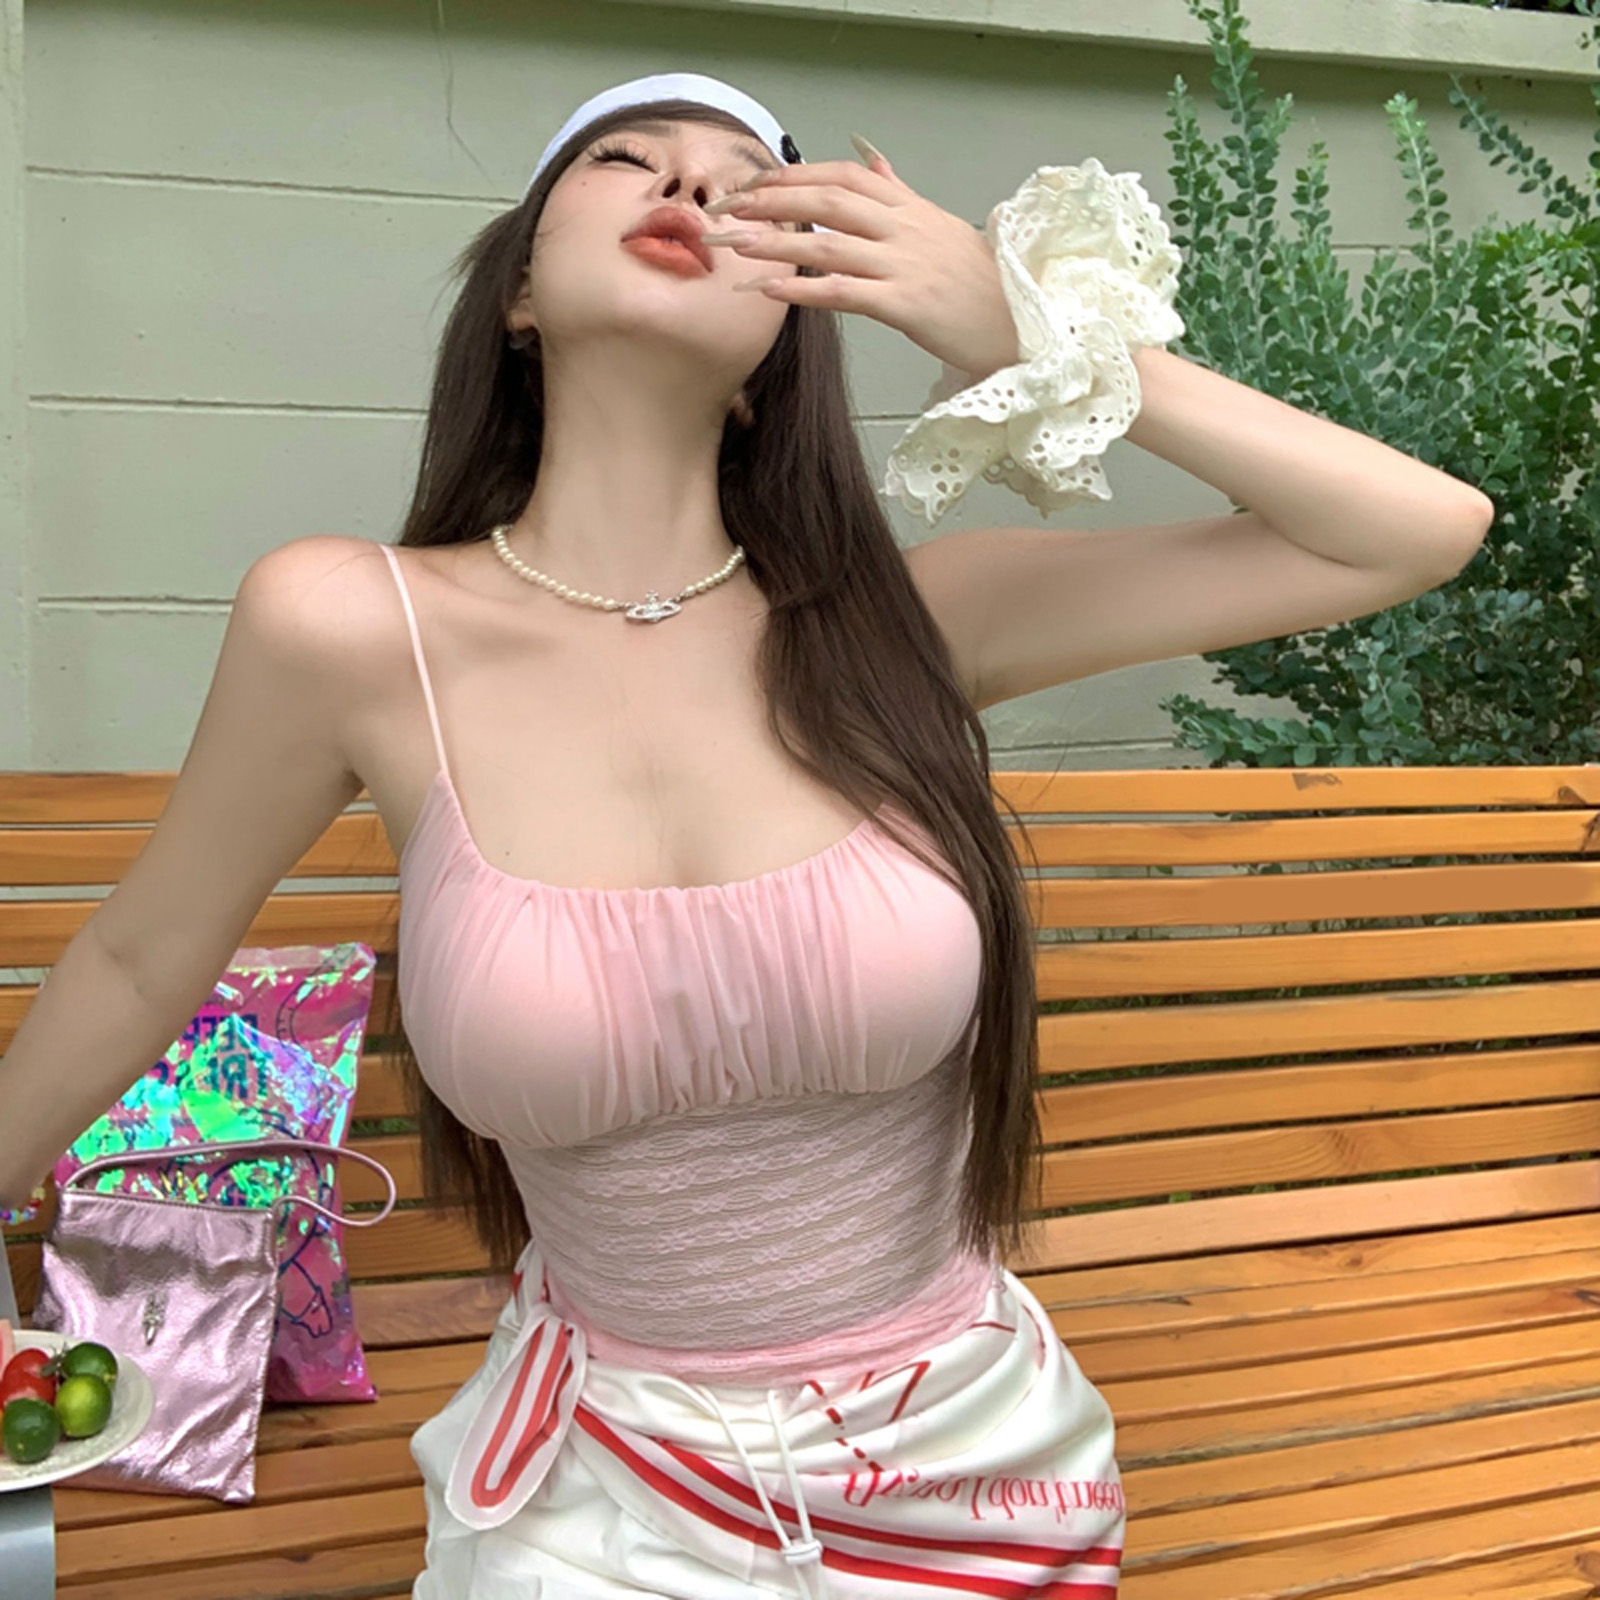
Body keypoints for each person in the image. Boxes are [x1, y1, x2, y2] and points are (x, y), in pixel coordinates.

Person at [0, 70, 1495, 1600]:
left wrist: (1036, 332)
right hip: (599, 1491)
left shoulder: (912, 622)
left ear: (786, 338)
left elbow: (1412, 530)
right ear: (518, 294)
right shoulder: (349, 624)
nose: (690, 184)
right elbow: (137, 959)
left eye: (749, 181)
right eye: (625, 157)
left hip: (966, 1465)